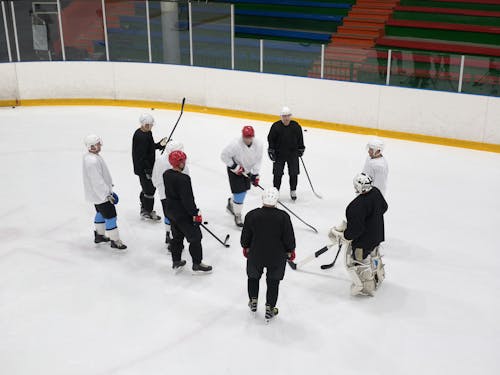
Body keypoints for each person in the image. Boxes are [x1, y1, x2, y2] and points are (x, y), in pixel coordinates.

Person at [241, 187, 296, 321]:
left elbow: (245, 237)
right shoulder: (283, 217)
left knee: (253, 277)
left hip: (256, 254)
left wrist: (246, 247)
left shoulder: (252, 215)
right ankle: (270, 308)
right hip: (276, 257)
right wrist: (290, 250)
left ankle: (253, 300)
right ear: (276, 200)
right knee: (273, 282)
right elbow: (288, 238)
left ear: (262, 199)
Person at [329, 173, 388, 296]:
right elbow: (384, 207)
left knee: (359, 261)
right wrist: (372, 219)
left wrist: (345, 235)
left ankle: (367, 287)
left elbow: (356, 230)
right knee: (374, 255)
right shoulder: (376, 192)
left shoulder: (355, 206)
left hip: (364, 241)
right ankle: (379, 275)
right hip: (377, 234)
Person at [163, 150, 212, 273]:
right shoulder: (184, 179)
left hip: (171, 212)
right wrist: (195, 214)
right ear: (178, 163)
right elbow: (187, 199)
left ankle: (176, 261)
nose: (184, 163)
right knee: (195, 238)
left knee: (177, 237)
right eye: (182, 161)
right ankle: (197, 263)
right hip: (183, 214)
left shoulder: (166, 174)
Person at [82, 134, 127, 250]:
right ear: (92, 147)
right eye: (97, 144)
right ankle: (115, 240)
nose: (100, 145)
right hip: (101, 195)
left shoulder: (90, 157)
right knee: (111, 216)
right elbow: (97, 181)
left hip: (97, 195)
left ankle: (99, 235)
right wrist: (107, 194)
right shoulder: (92, 161)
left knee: (100, 213)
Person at [221, 125, 263, 227]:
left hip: (247, 170)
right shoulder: (235, 144)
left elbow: (258, 160)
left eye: (250, 137)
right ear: (242, 136)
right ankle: (237, 214)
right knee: (240, 193)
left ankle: (231, 203)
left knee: (244, 190)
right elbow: (224, 156)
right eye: (246, 137)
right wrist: (234, 167)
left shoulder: (259, 145)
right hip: (235, 170)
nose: (248, 139)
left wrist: (255, 174)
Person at [152, 141, 189, 248]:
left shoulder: (159, 160)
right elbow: (186, 179)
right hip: (178, 196)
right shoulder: (180, 162)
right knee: (176, 217)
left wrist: (160, 189)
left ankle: (168, 234)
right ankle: (174, 238)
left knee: (169, 215)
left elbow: (155, 177)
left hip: (164, 194)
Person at [132, 113, 168, 221]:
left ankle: (144, 208)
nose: (149, 127)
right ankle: (147, 211)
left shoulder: (147, 133)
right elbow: (140, 156)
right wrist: (147, 170)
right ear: (142, 124)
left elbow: (149, 148)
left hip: (147, 167)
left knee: (147, 188)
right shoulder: (140, 136)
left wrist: (159, 145)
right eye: (147, 125)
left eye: (150, 125)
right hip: (144, 168)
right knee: (149, 190)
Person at [267, 106, 305, 201]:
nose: (286, 118)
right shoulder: (275, 126)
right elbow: (270, 139)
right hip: (279, 154)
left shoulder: (296, 126)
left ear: (290, 116)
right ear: (281, 116)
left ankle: (293, 190)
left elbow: (300, 138)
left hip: (293, 154)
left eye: (288, 116)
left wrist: (301, 148)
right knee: (277, 173)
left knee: (293, 173)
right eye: (284, 116)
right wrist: (271, 150)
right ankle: (275, 192)